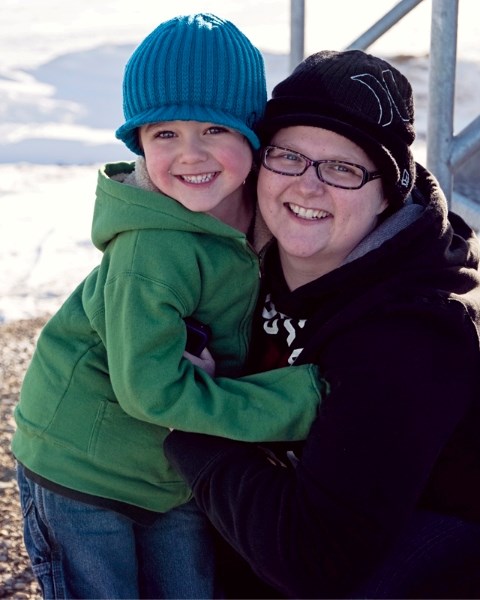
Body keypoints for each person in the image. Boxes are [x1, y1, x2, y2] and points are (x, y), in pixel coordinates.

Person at [165, 49, 480, 599]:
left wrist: (190, 425)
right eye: (287, 155)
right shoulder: (251, 256)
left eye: (343, 167)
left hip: (472, 535)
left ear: (389, 191)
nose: (308, 186)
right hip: (344, 501)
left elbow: (315, 562)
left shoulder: (416, 331)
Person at [11, 14, 325, 599]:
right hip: (81, 466)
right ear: (139, 145)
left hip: (166, 468)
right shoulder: (151, 250)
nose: (190, 154)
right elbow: (151, 389)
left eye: (213, 129)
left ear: (252, 135)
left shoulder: (256, 220)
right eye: (165, 135)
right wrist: (297, 401)